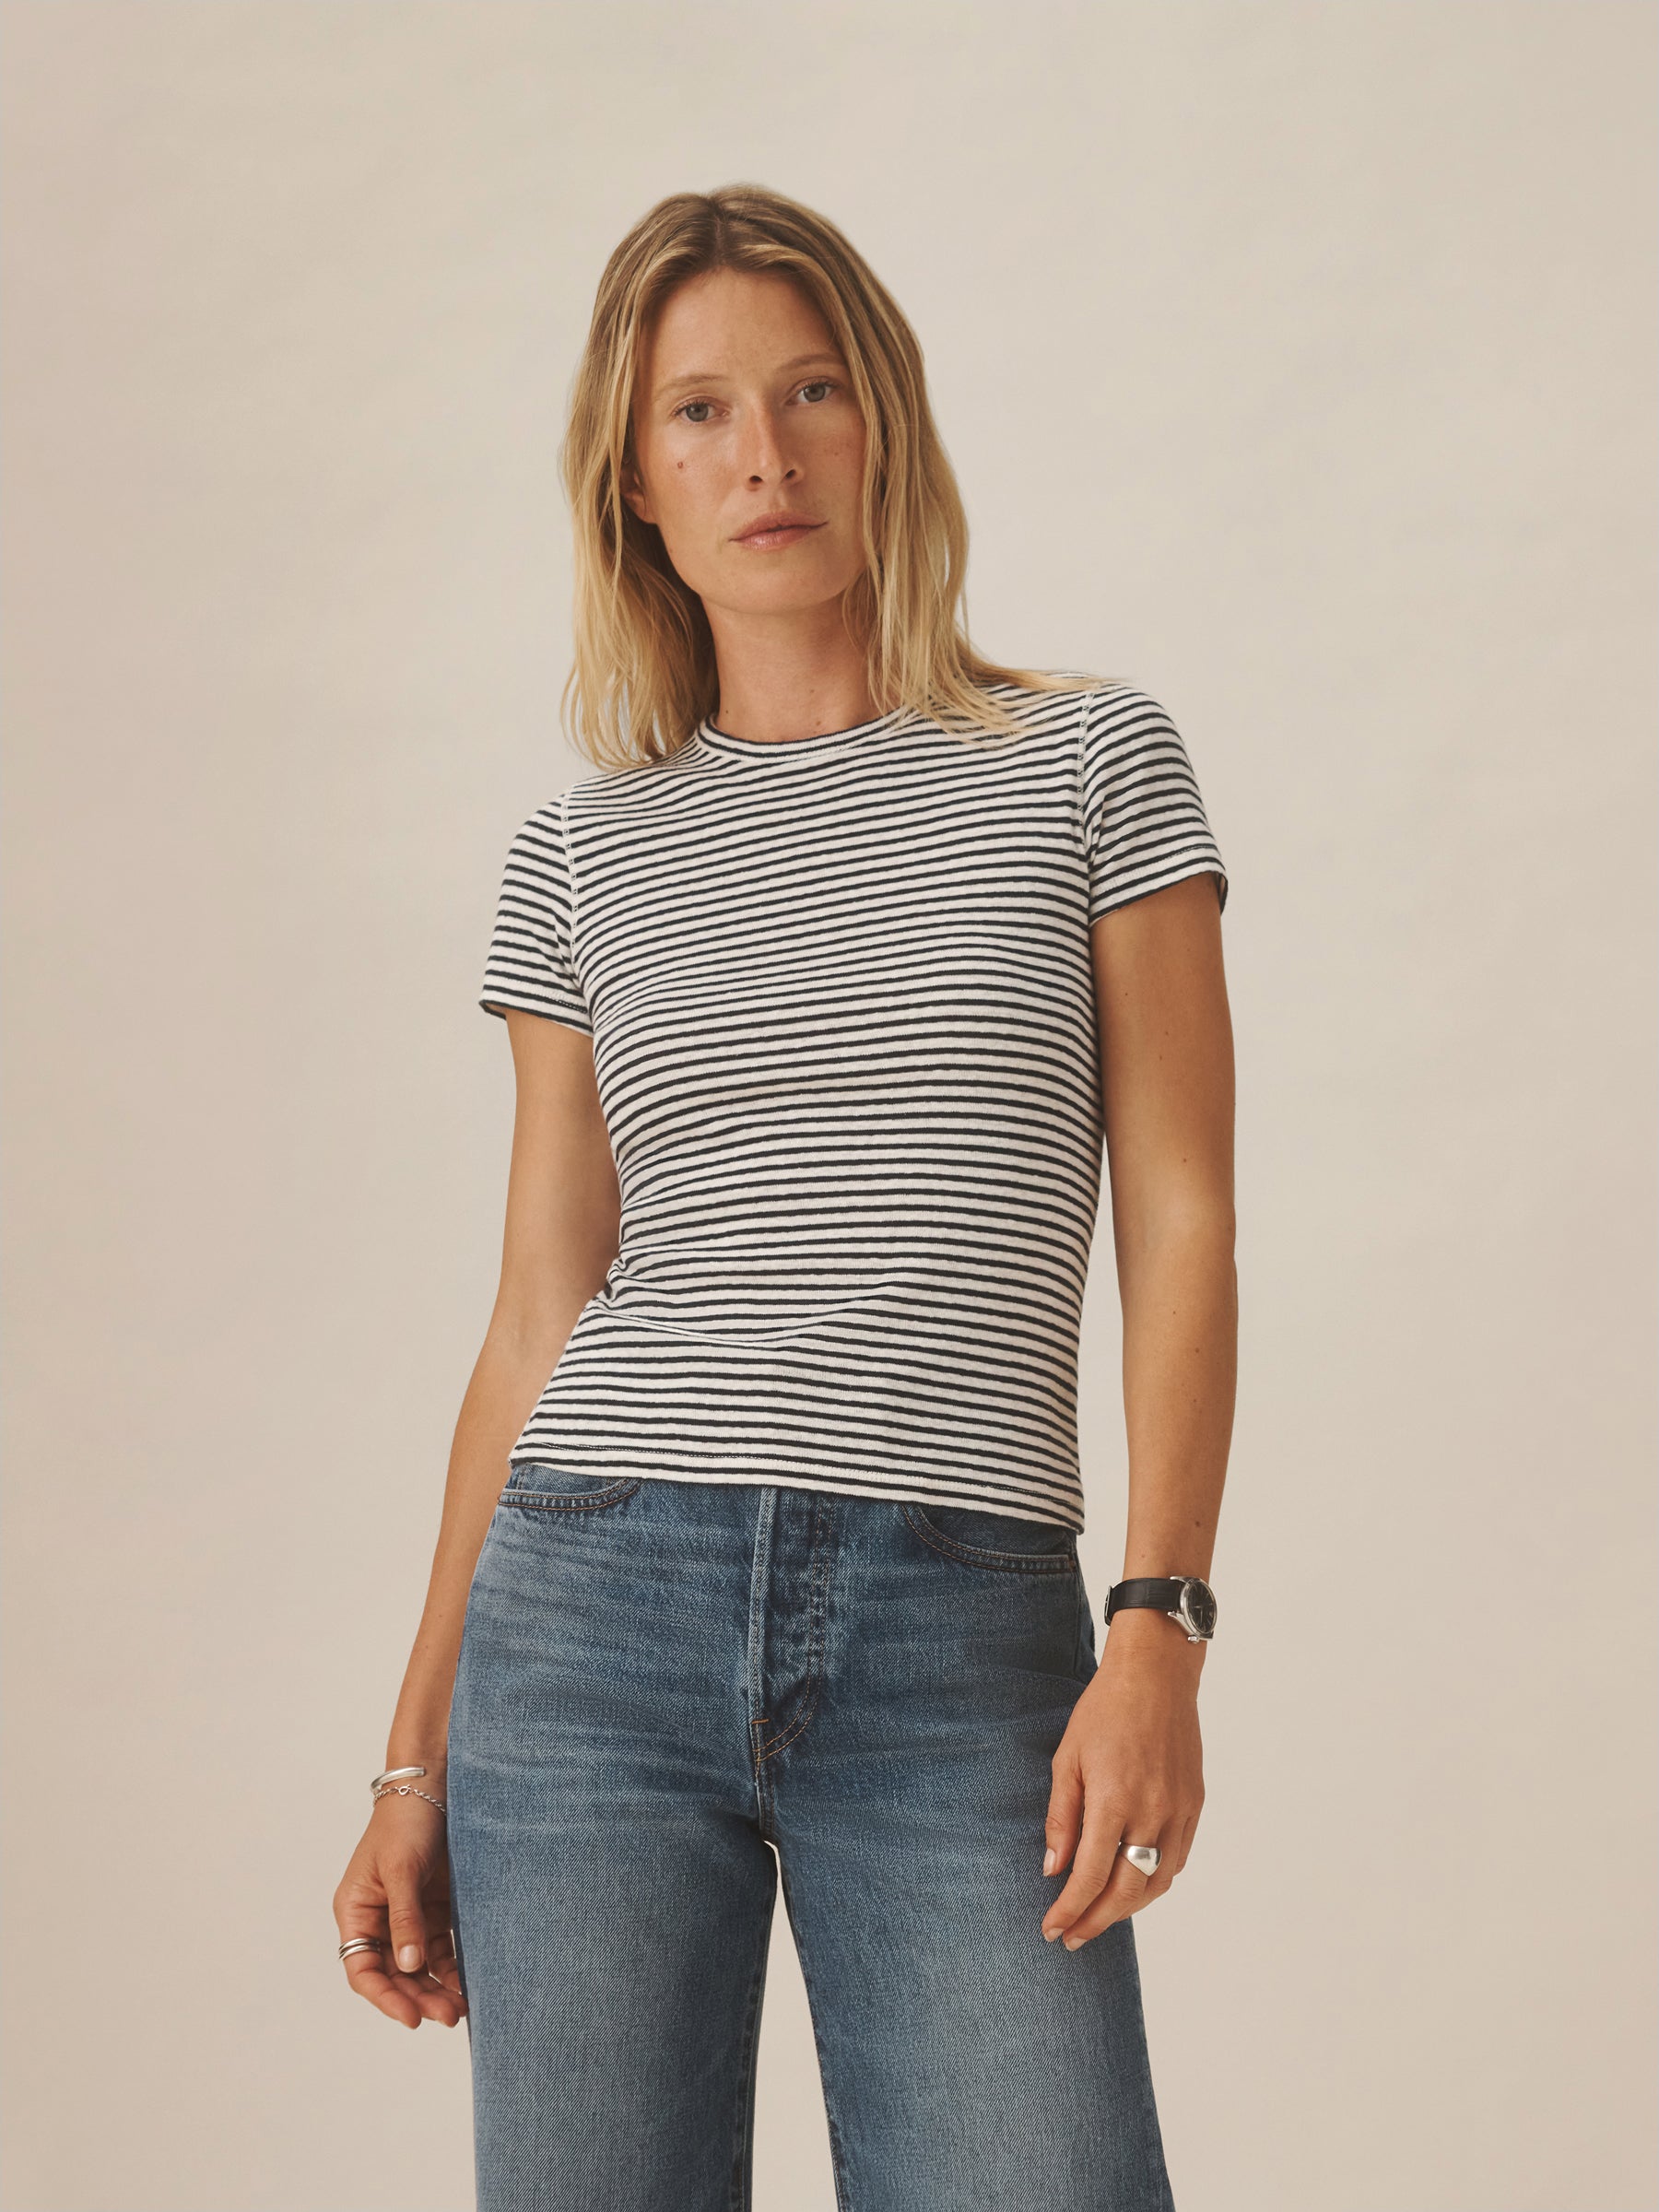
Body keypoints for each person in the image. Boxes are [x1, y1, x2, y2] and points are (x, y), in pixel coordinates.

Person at [333, 182, 1236, 2212]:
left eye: (814, 390)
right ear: (634, 484)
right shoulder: (582, 857)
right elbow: (538, 1313)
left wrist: (1160, 1625)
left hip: (961, 1630)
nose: (766, 453)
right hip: (589, 1619)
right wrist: (413, 1756)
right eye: (702, 412)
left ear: (884, 424)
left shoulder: (1086, 765)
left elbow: (1183, 1217)